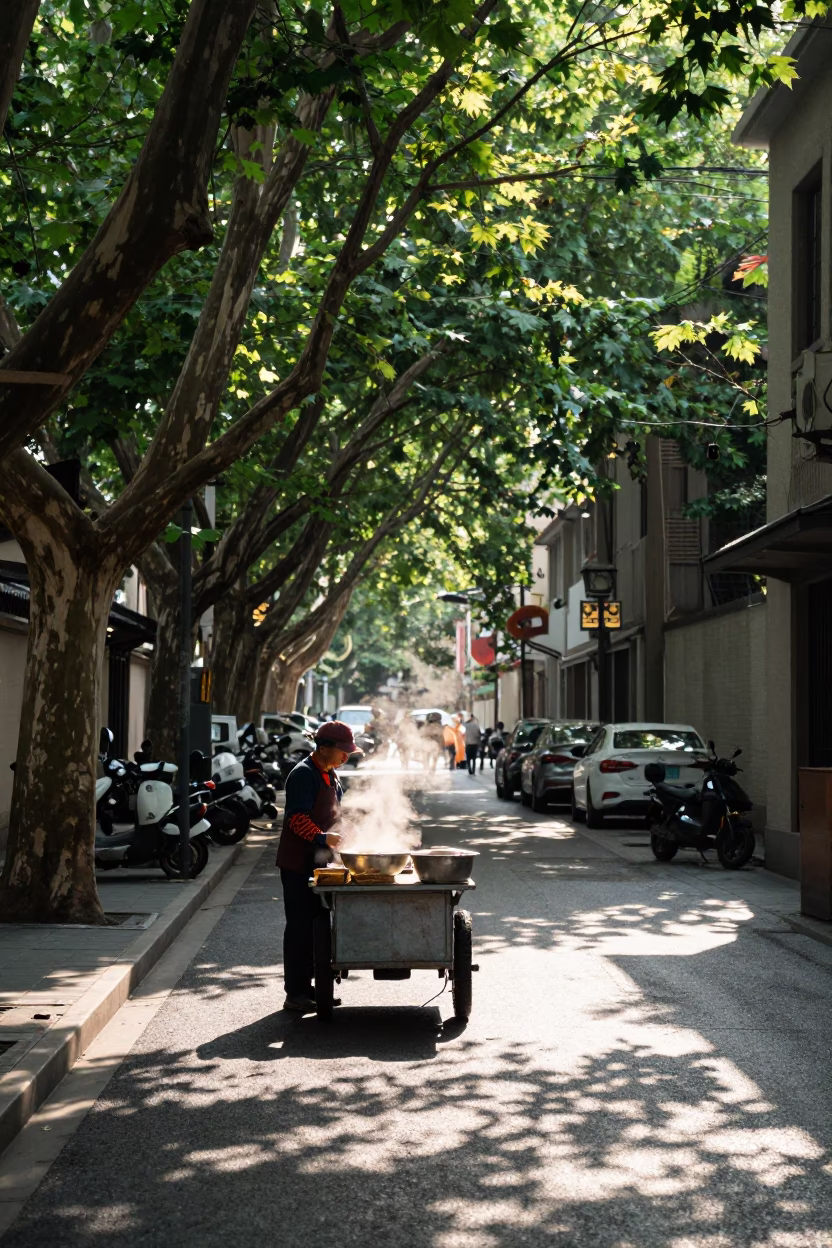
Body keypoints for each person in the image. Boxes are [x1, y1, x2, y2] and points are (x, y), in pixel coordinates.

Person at [276, 720, 362, 1013]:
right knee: (299, 927)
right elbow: (296, 818)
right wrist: (323, 836)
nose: (346, 756)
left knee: (317, 927)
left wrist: (350, 829)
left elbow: (333, 815)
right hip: (298, 865)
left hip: (322, 865)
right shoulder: (303, 775)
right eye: (342, 751)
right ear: (324, 748)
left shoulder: (331, 774)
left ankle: (311, 986)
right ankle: (295, 992)